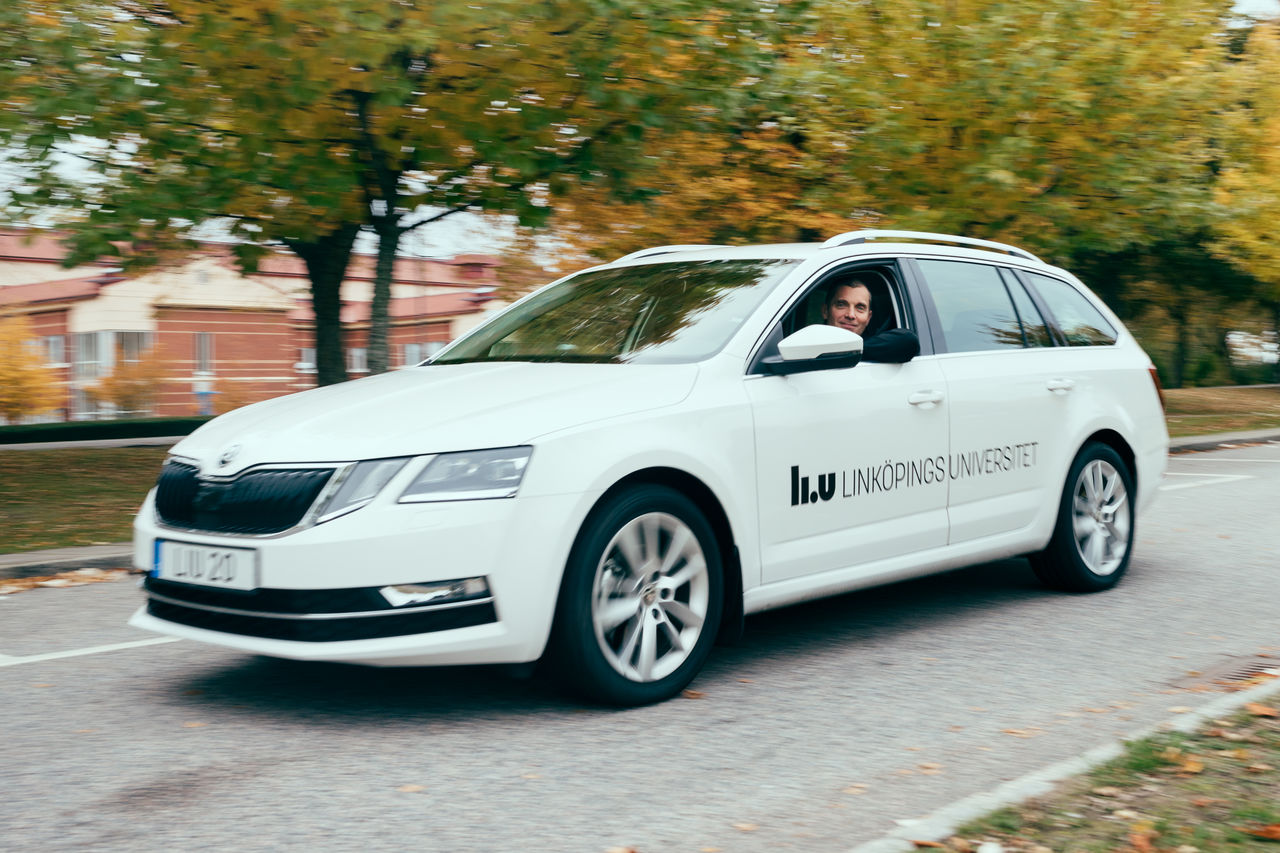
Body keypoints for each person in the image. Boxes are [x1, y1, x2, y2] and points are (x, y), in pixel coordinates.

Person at [820, 277, 919, 364]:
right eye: (841, 305)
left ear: (868, 318)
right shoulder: (807, 345)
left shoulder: (874, 346)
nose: (851, 315)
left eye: (860, 308)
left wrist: (849, 352)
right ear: (825, 311)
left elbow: (908, 340)